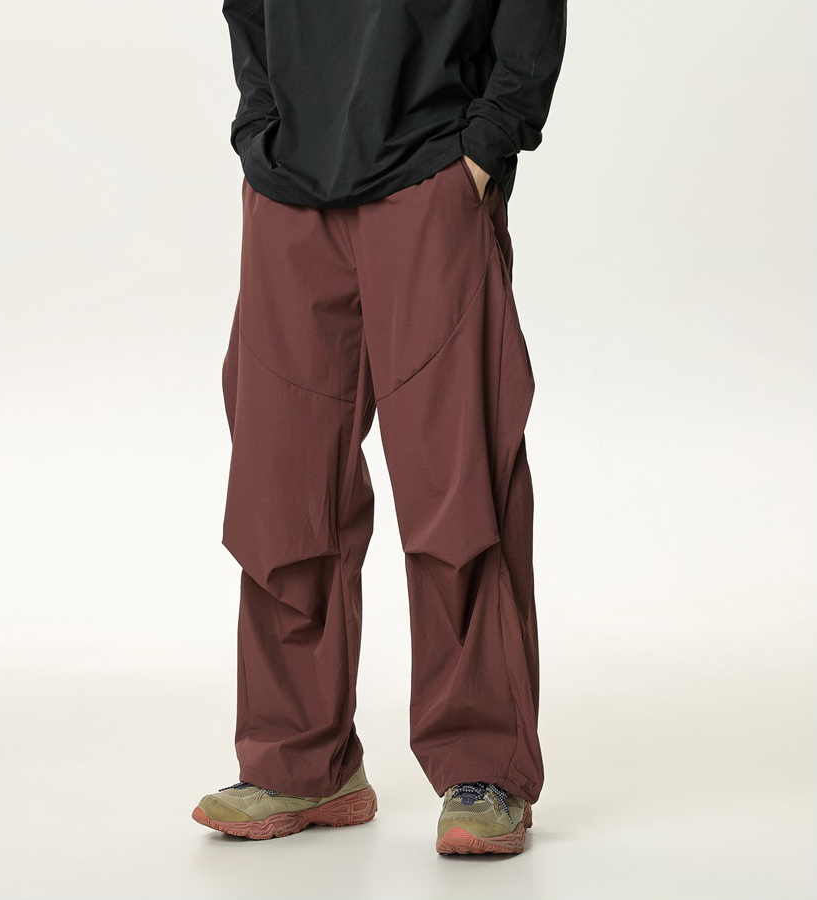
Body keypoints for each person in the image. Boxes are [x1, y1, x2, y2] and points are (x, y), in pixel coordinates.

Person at [192, 0, 567, 855]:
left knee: (458, 484)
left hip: (431, 169)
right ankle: (299, 761)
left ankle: (484, 766)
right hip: (290, 188)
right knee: (281, 489)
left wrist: (490, 141)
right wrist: (260, 123)